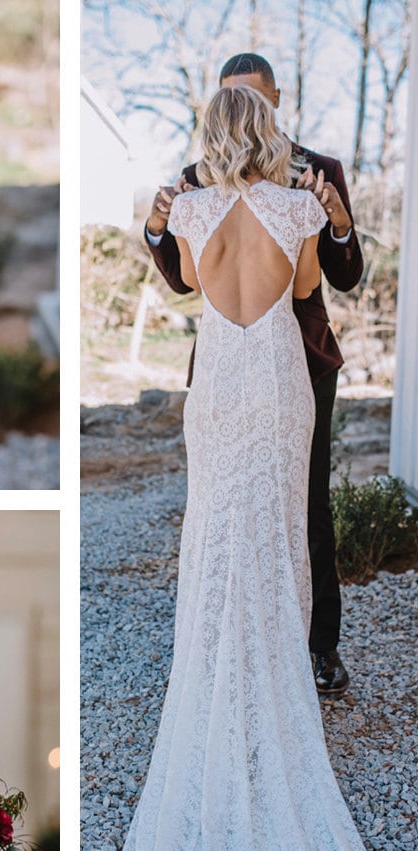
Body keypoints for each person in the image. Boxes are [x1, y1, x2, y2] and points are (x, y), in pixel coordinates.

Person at [108, 86, 407, 851]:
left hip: (219, 388)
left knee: (215, 541)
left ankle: (216, 692)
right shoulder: (293, 205)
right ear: (268, 135)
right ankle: (279, 686)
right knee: (279, 541)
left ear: (211, 138)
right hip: (278, 382)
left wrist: (186, 223)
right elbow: (308, 288)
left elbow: (196, 283)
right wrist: (302, 222)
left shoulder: (190, 207)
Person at [144, 52, 358, 697]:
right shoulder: (194, 185)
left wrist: (339, 221)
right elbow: (296, 282)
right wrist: (155, 227)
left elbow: (346, 275)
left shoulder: (322, 174)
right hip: (267, 361)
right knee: (262, 510)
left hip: (296, 361)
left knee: (301, 508)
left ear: (276, 99)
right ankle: (245, 647)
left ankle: (316, 649)